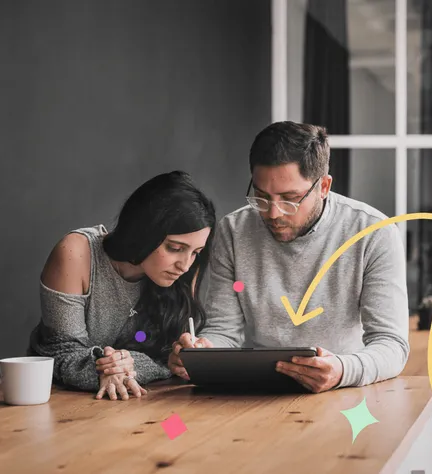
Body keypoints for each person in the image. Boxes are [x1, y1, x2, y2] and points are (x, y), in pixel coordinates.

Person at [168, 121, 410, 393]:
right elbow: (224, 330)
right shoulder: (233, 231)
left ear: (324, 186)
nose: (273, 213)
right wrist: (202, 353)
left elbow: (392, 345)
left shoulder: (373, 233)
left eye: (290, 198)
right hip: (255, 390)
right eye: (261, 197)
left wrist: (342, 370)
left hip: (344, 392)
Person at [27, 171, 216, 400]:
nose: (185, 265)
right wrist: (116, 368)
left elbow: (162, 360)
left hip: (139, 406)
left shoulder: (182, 273)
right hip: (55, 402)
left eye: (196, 252)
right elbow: (62, 353)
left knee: (184, 432)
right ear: (145, 231)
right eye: (175, 248)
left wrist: (177, 359)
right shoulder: (76, 253)